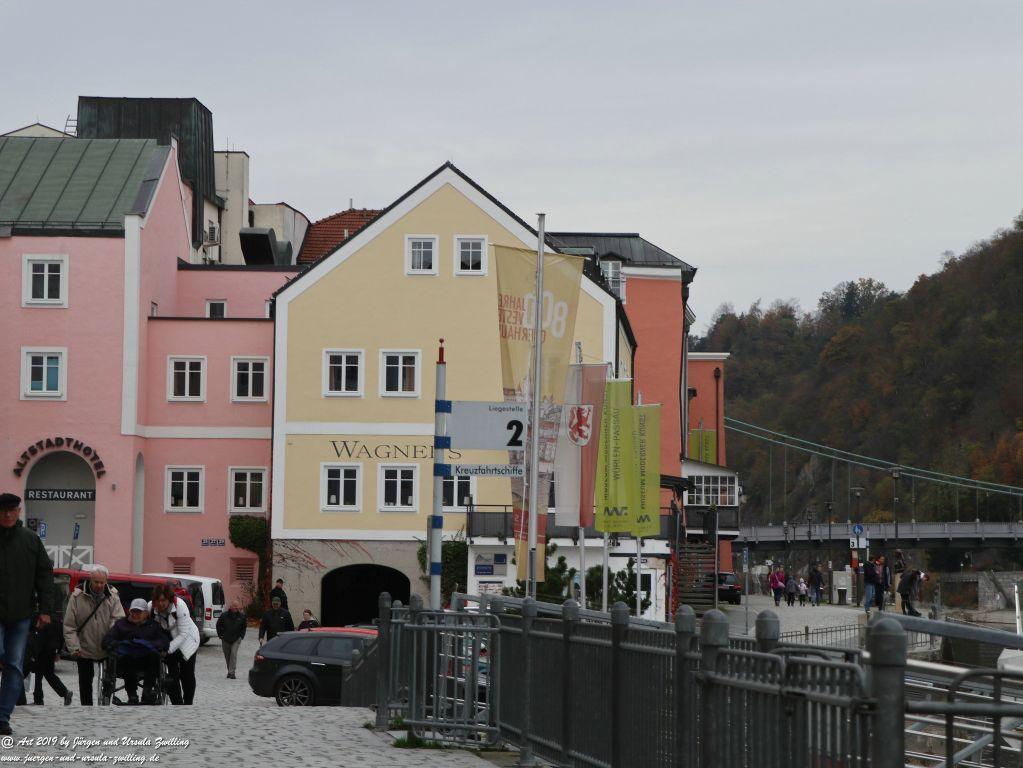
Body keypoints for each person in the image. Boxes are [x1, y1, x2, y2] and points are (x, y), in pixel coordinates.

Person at [0, 492, 53, 736]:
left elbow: (44, 575)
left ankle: (2, 717)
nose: (8, 514)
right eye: (3, 511)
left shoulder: (30, 540)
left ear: (19, 511)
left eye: (12, 510)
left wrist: (45, 610)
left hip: (21, 613)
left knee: (14, 665)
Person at [63, 564, 125, 705]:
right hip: (84, 646)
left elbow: (118, 618)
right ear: (90, 580)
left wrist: (111, 636)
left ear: (106, 581)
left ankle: (106, 700)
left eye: (102, 582)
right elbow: (69, 625)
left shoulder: (113, 596)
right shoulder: (77, 596)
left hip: (106, 644)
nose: (99, 585)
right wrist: (74, 647)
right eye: (96, 582)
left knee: (109, 679)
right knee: (85, 680)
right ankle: (86, 707)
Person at [102, 599, 169, 705]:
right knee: (127, 658)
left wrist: (150, 644)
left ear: (146, 613)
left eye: (139, 612)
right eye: (133, 611)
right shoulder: (121, 625)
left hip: (146, 660)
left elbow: (164, 641)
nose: (135, 614)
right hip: (127, 661)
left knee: (154, 656)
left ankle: (147, 691)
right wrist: (117, 644)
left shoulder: (154, 626)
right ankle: (132, 694)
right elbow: (107, 640)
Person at [149, 584, 200, 705]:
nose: (160, 604)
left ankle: (188, 703)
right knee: (171, 676)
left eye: (163, 600)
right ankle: (177, 704)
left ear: (169, 600)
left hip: (188, 640)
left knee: (187, 674)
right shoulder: (150, 607)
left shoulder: (180, 606)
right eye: (158, 600)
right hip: (168, 640)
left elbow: (183, 633)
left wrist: (168, 649)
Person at [28, 612, 72, 705]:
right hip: (52, 650)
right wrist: (58, 651)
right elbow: (61, 636)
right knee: (46, 674)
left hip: (42, 649)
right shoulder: (57, 618)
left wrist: (34, 650)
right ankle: (40, 698)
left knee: (40, 674)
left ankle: (62, 692)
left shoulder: (42, 617)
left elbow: (38, 635)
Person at [215, 601, 247, 679]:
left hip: (236, 639)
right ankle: (229, 671)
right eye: (234, 606)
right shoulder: (224, 615)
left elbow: (244, 627)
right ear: (230, 607)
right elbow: (218, 625)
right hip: (225, 639)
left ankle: (232, 673)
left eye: (237, 606)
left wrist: (241, 637)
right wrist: (220, 635)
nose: (235, 608)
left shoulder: (242, 616)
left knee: (233, 654)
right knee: (227, 656)